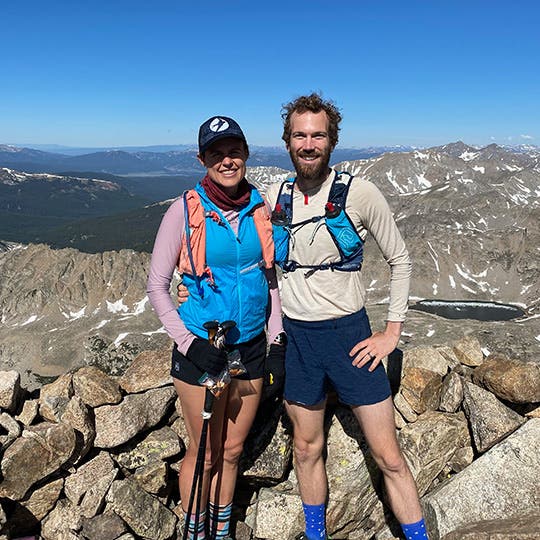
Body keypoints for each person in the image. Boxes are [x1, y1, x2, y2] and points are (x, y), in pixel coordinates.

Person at [263, 93, 428, 540]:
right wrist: (187, 280)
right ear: (287, 141)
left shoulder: (360, 193)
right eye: (300, 134)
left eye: (318, 135)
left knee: (389, 456)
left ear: (332, 141)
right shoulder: (275, 197)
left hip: (350, 337)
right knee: (305, 447)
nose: (309, 143)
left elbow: (401, 259)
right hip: (298, 341)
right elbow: (246, 260)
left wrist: (391, 333)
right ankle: (316, 535)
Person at [147, 115, 285, 540]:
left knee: (232, 451)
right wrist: (188, 345)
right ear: (202, 159)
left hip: (251, 349)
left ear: (245, 152)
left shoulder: (260, 208)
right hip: (203, 350)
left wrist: (276, 336)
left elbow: (270, 277)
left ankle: (220, 530)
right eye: (216, 153)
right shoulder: (184, 210)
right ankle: (195, 531)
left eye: (233, 151)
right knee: (205, 452)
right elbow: (157, 287)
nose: (227, 160)